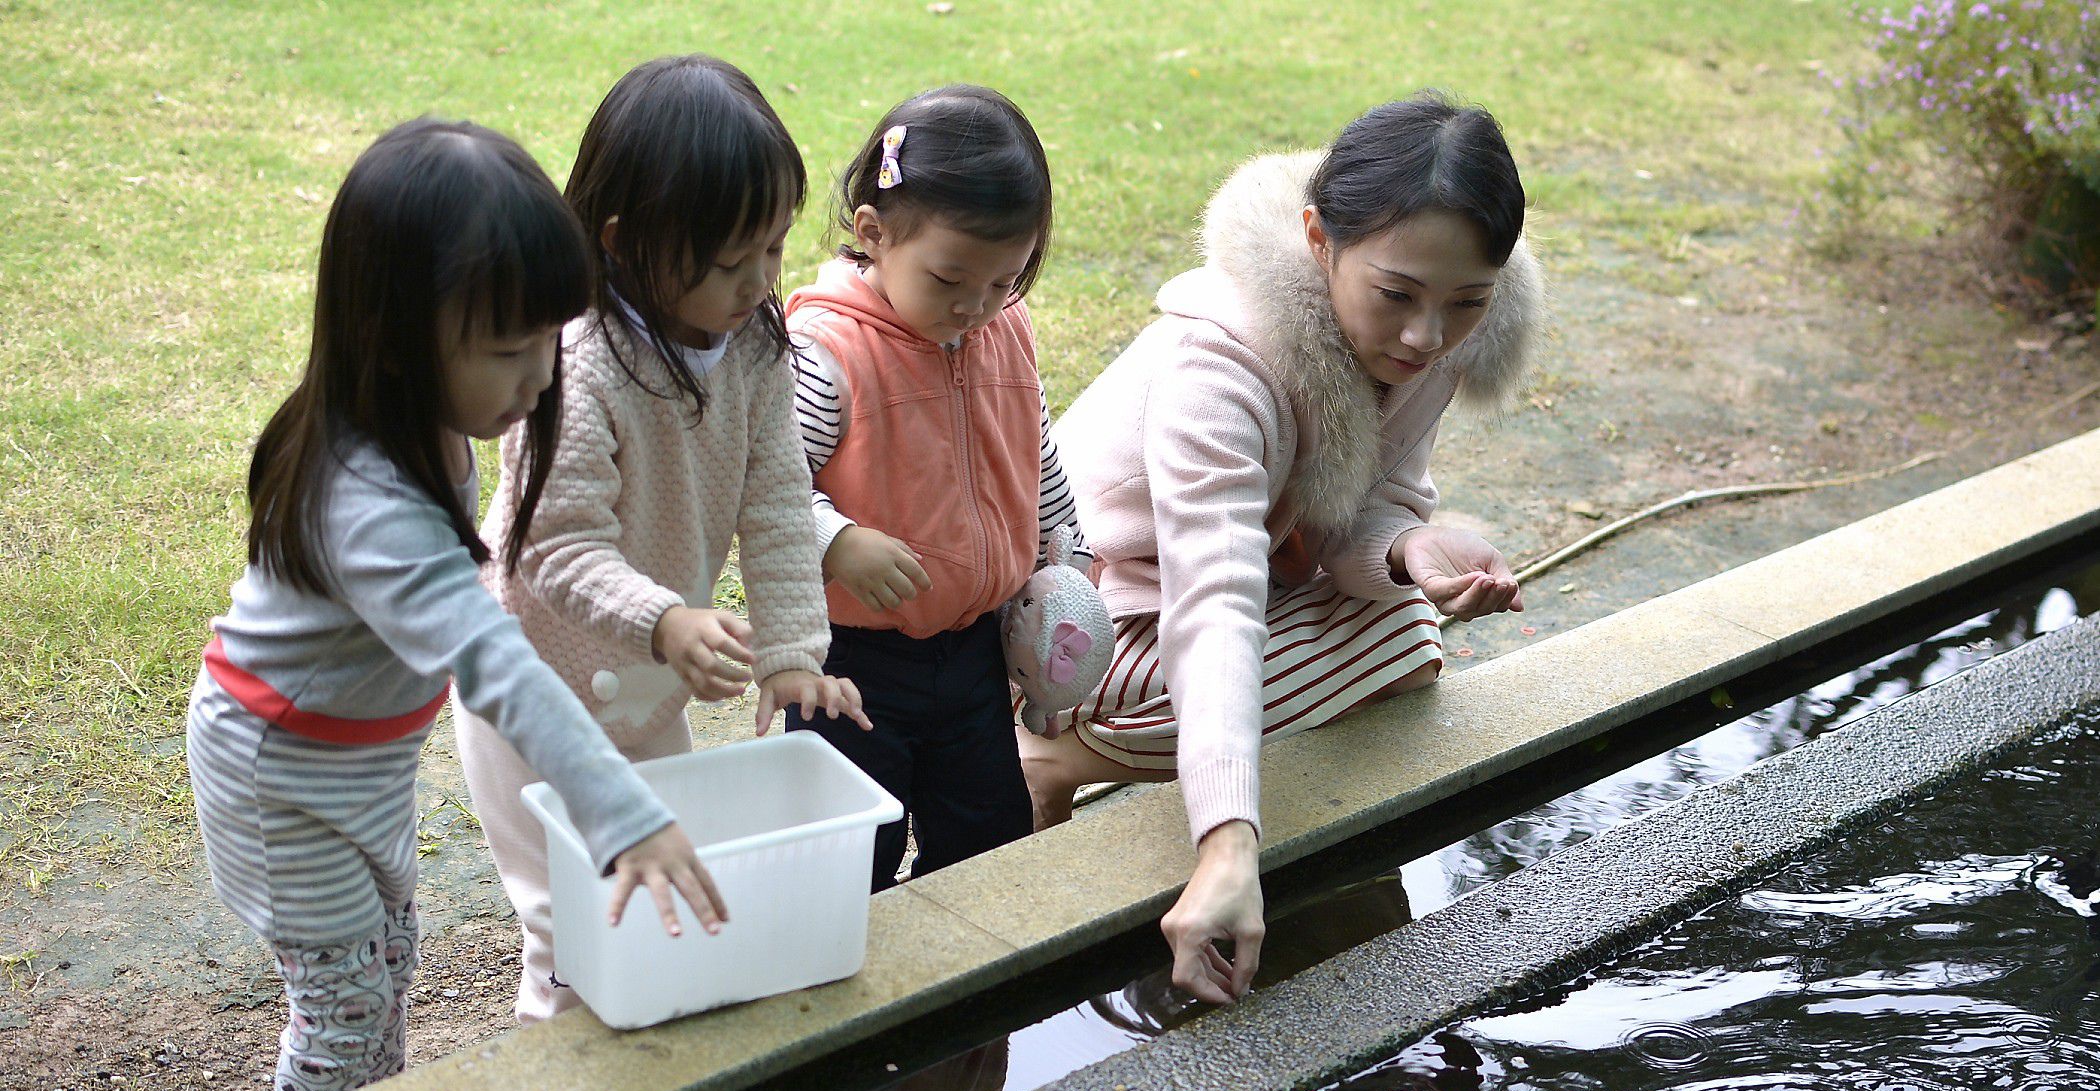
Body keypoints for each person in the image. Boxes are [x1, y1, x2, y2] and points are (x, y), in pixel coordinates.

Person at [187, 119, 723, 1091]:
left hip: (360, 757)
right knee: (344, 1007)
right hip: (280, 776)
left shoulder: (435, 419)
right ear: (392, 335)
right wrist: (625, 811)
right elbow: (494, 660)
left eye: (547, 345)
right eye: (509, 348)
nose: (538, 379)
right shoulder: (362, 498)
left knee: (387, 968)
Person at [1028, 93, 1543, 1003]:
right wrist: (1228, 844)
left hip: (1244, 596)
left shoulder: (1432, 342)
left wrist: (1410, 547)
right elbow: (1215, 598)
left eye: (1467, 302)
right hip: (1081, 628)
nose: (1427, 336)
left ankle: (1131, 751)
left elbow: (1365, 512)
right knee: (1392, 647)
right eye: (1397, 296)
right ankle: (1061, 754)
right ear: (1317, 239)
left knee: (1405, 636)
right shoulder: (1218, 365)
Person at [457, 56, 865, 1022]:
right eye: (732, 262)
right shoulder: (575, 364)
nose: (761, 281)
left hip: (648, 684)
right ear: (625, 242)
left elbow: (774, 501)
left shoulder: (760, 350)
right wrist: (666, 618)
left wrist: (793, 654)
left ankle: (656, 1076)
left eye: (773, 249)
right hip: (532, 687)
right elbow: (550, 548)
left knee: (662, 890)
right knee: (570, 920)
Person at [784, 84, 1086, 891]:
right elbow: (762, 489)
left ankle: (975, 1013)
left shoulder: (1000, 331)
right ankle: (857, 1011)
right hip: (850, 667)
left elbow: (1037, 459)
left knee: (988, 840)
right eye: (951, 279)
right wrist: (837, 539)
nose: (976, 307)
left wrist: (1070, 566)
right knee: (850, 860)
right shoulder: (827, 353)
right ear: (874, 234)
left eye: (1005, 282)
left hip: (976, 652)